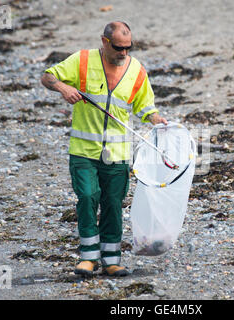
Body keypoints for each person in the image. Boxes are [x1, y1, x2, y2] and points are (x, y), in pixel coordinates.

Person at [41, 21, 167, 277]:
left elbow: (144, 106)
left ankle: (111, 259)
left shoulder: (137, 70)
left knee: (112, 203)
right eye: (119, 48)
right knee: (87, 197)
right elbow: (47, 76)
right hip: (84, 151)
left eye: (128, 47)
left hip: (118, 154)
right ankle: (88, 259)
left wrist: (155, 118)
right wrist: (64, 87)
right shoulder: (83, 61)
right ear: (105, 41)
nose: (124, 53)